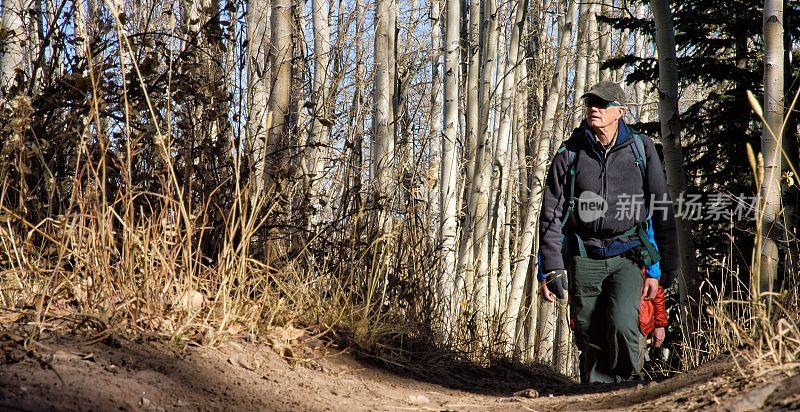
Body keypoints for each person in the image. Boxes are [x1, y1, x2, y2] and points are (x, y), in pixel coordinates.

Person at [536, 80, 681, 383]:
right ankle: (596, 394)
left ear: (620, 112)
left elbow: (662, 208)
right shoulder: (570, 153)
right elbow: (551, 214)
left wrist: (665, 266)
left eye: (602, 104)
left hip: (627, 254)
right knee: (589, 330)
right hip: (583, 255)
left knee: (624, 322)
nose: (594, 109)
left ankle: (629, 389)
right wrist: (549, 268)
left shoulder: (642, 150)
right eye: (591, 103)